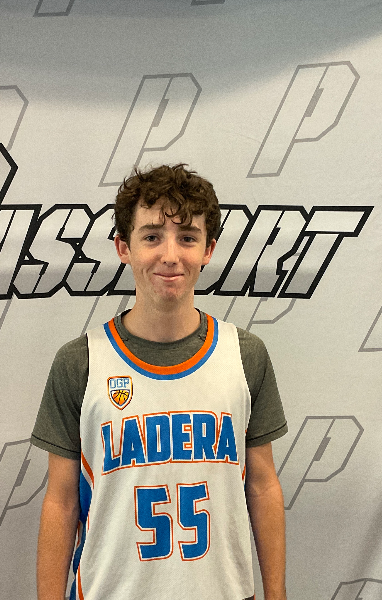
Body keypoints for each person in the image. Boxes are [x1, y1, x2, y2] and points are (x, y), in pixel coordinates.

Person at [31, 163, 288, 600]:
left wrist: (277, 595)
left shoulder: (245, 356)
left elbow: (263, 486)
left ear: (208, 249)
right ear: (123, 247)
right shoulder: (81, 362)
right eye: (152, 236)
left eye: (187, 237)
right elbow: (61, 501)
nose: (170, 255)